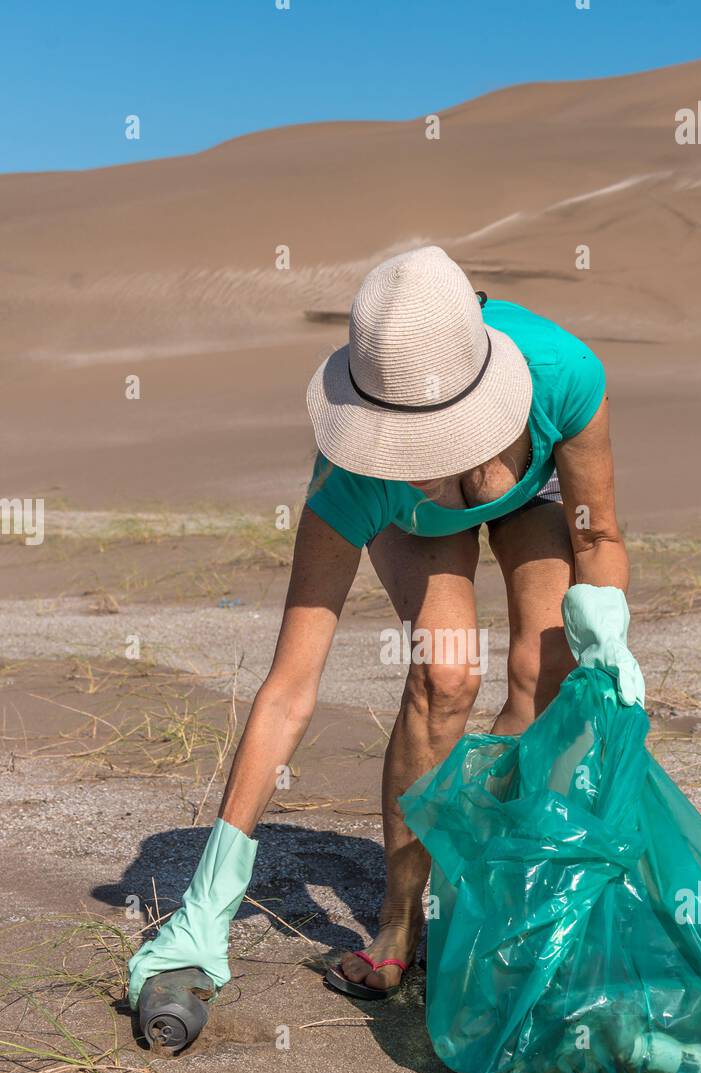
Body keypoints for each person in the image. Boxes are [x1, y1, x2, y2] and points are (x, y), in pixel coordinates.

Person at [127, 245, 643, 1008]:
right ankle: (400, 925)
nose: (407, 459)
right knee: (447, 674)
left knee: (549, 673)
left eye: (426, 441)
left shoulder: (564, 376)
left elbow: (596, 534)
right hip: (416, 527)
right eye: (390, 435)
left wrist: (610, 637)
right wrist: (210, 899)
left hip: (527, 498)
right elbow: (288, 692)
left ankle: (481, 885)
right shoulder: (355, 482)